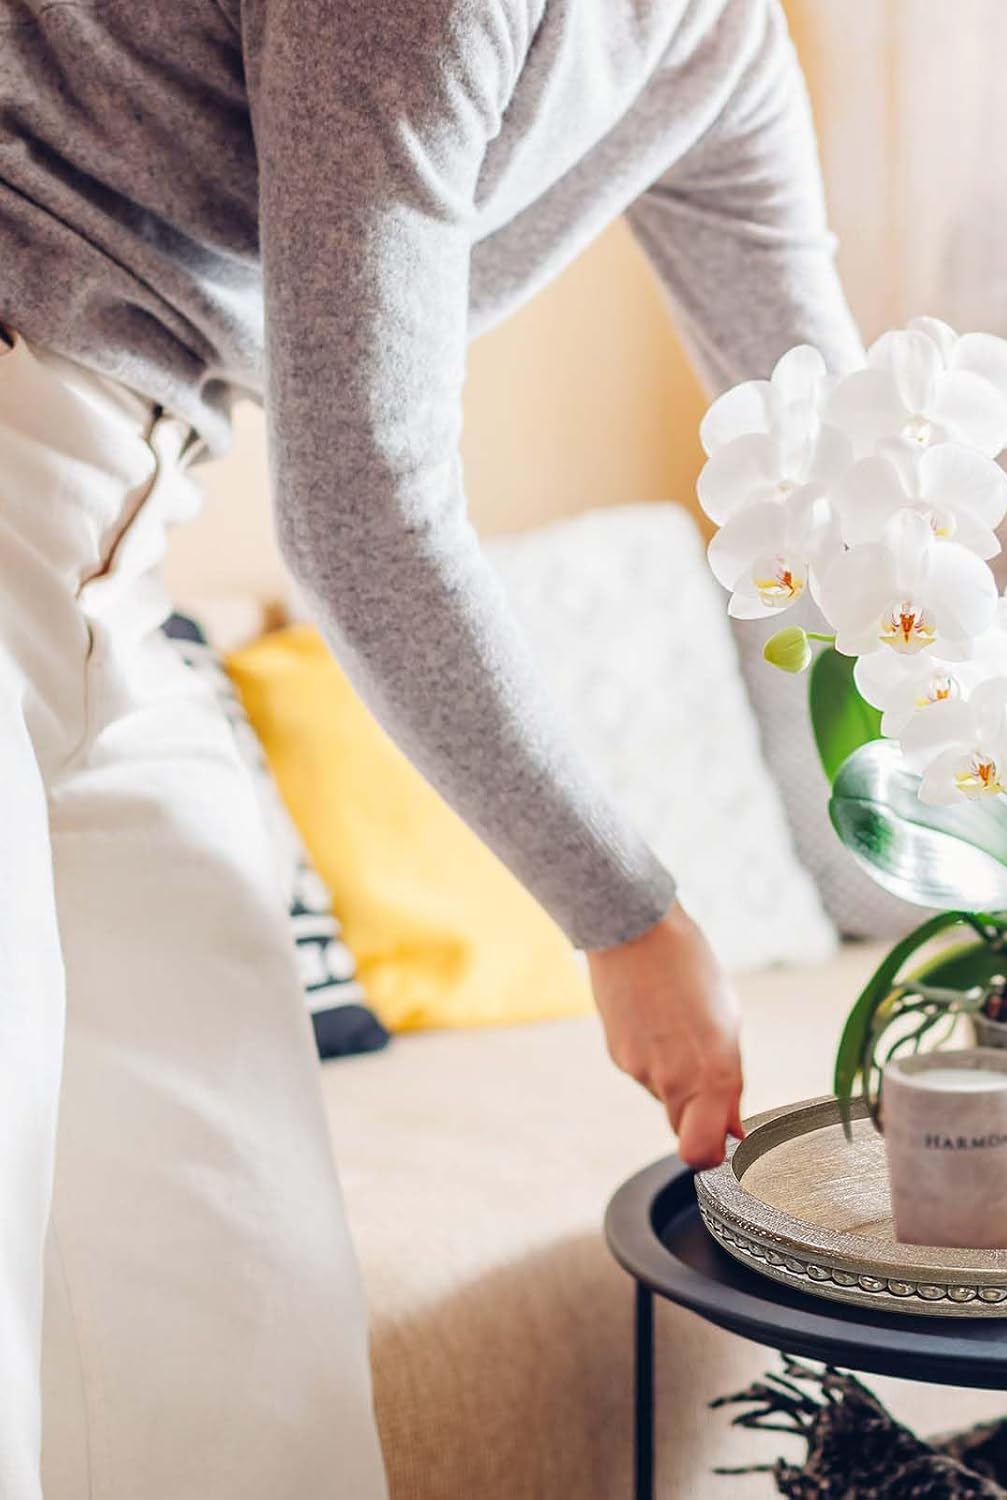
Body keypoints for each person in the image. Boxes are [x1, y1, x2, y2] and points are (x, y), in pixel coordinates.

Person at [0, 0, 862, 1492]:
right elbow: (358, 498)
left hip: (108, 549)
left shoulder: (715, 44)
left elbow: (847, 486)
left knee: (236, 1287)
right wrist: (627, 915)